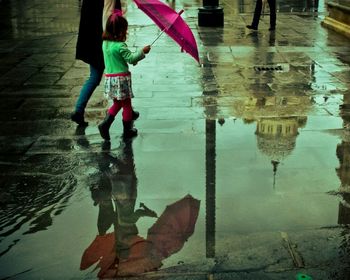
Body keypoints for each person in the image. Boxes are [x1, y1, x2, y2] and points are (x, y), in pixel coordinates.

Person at [98, 10, 151, 140]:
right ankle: (127, 131)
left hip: (110, 78)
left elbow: (118, 59)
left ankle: (105, 124)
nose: (126, 33)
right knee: (126, 104)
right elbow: (131, 59)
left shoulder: (105, 44)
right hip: (121, 79)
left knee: (117, 103)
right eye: (125, 30)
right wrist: (142, 52)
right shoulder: (120, 46)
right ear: (120, 32)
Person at [71, 0, 122, 126]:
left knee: (96, 76)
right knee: (117, 75)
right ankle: (122, 112)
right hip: (104, 39)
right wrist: (114, 37)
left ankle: (78, 110)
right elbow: (108, 14)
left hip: (90, 40)